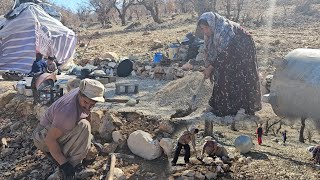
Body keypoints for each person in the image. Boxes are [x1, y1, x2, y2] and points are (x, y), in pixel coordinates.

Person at [32, 79, 105, 179]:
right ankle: (75, 167)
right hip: (42, 137)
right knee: (84, 126)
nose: (88, 107)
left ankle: (68, 152)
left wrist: (88, 137)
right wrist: (64, 164)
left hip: (54, 130)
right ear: (80, 94)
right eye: (86, 102)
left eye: (92, 104)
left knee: (85, 127)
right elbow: (50, 140)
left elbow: (87, 113)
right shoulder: (68, 112)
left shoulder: (81, 93)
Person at [198, 12, 261, 117]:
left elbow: (225, 53)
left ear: (212, 25)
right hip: (230, 50)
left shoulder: (224, 29)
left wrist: (211, 67)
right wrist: (208, 66)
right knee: (221, 72)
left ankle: (243, 108)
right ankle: (221, 106)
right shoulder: (210, 34)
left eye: (206, 28)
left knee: (237, 74)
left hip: (243, 45)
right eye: (202, 28)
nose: (205, 31)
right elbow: (210, 53)